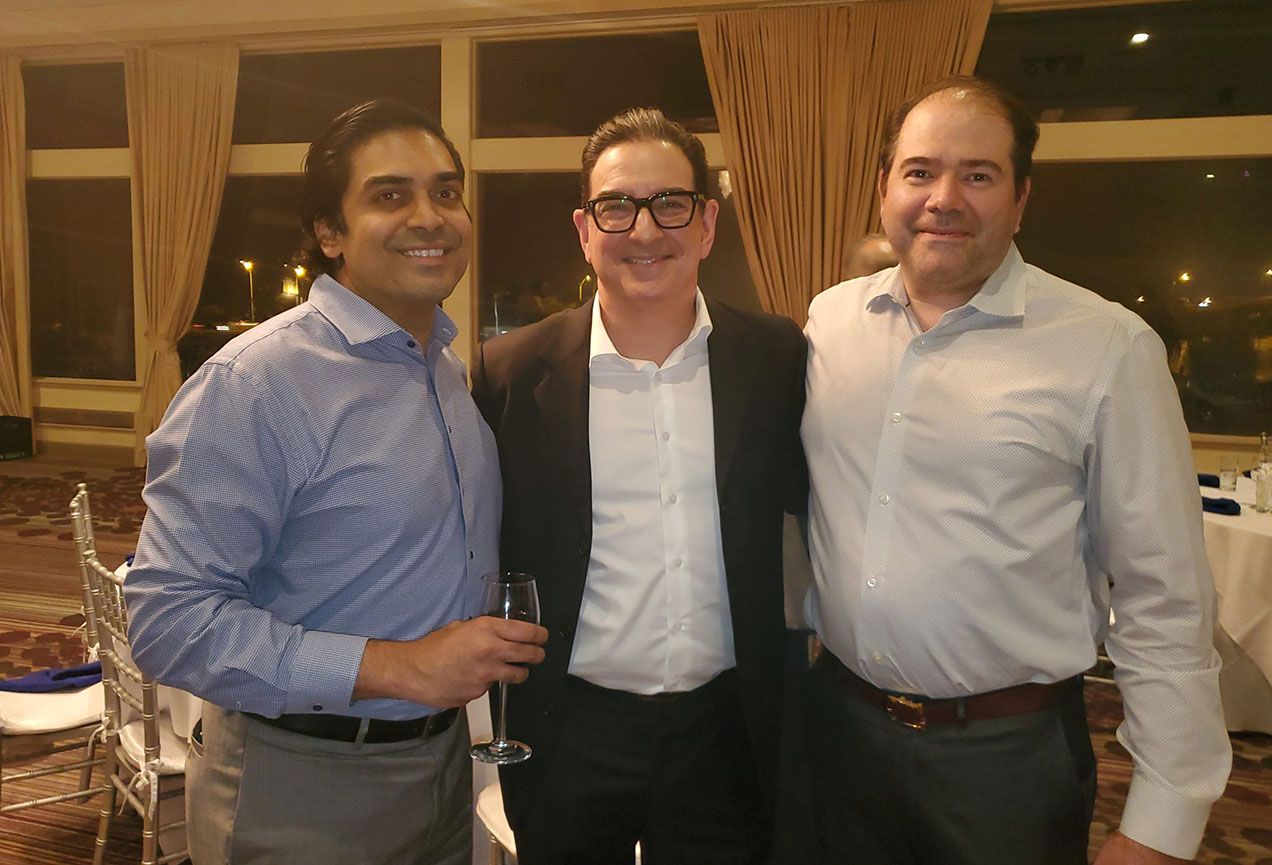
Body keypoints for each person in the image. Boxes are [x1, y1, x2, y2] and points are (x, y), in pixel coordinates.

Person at [801, 76, 1231, 865]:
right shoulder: (829, 322)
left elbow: (1163, 593)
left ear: (1021, 197)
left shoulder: (1105, 345)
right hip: (837, 737)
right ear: (884, 189)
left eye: (977, 174)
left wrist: (1162, 817)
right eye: (920, 170)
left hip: (1005, 759)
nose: (943, 197)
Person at [124, 98, 547, 865]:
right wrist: (399, 665)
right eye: (390, 195)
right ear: (328, 233)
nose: (430, 216)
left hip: (445, 765)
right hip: (302, 784)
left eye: (446, 191)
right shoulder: (257, 383)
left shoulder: (444, 368)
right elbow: (167, 621)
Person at [471, 107, 806, 865]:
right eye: (617, 207)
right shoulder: (511, 372)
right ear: (585, 229)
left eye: (670, 204)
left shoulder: (774, 356)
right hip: (569, 727)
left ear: (707, 222)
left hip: (726, 727)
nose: (645, 231)